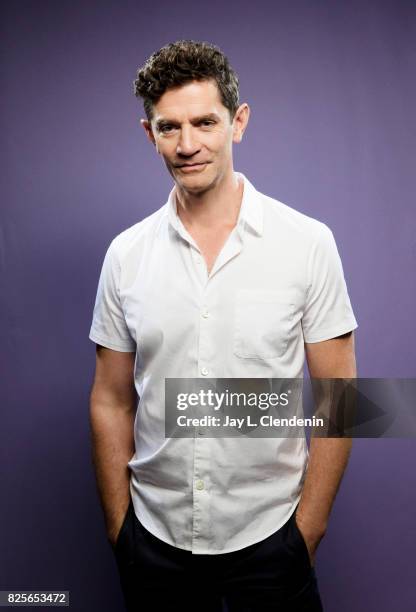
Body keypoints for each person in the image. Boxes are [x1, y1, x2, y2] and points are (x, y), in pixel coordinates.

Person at [88, 40, 358, 611]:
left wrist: (307, 531)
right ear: (149, 134)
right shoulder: (125, 255)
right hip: (153, 543)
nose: (187, 145)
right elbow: (110, 400)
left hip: (271, 539)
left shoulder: (308, 244)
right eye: (169, 128)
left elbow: (341, 398)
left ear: (238, 123)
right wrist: (121, 529)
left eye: (205, 122)